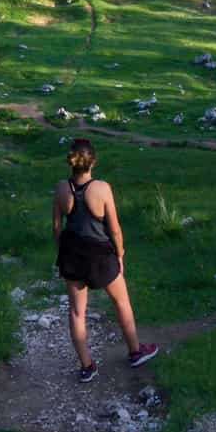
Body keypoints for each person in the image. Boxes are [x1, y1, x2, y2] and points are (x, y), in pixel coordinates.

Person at [51, 137, 157, 381]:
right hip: (100, 255)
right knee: (121, 302)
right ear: (93, 162)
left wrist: (62, 251)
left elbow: (56, 227)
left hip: (72, 253)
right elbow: (115, 229)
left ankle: (87, 367)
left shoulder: (60, 188)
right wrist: (120, 254)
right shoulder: (102, 188)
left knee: (77, 313)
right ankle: (135, 351)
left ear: (71, 162)